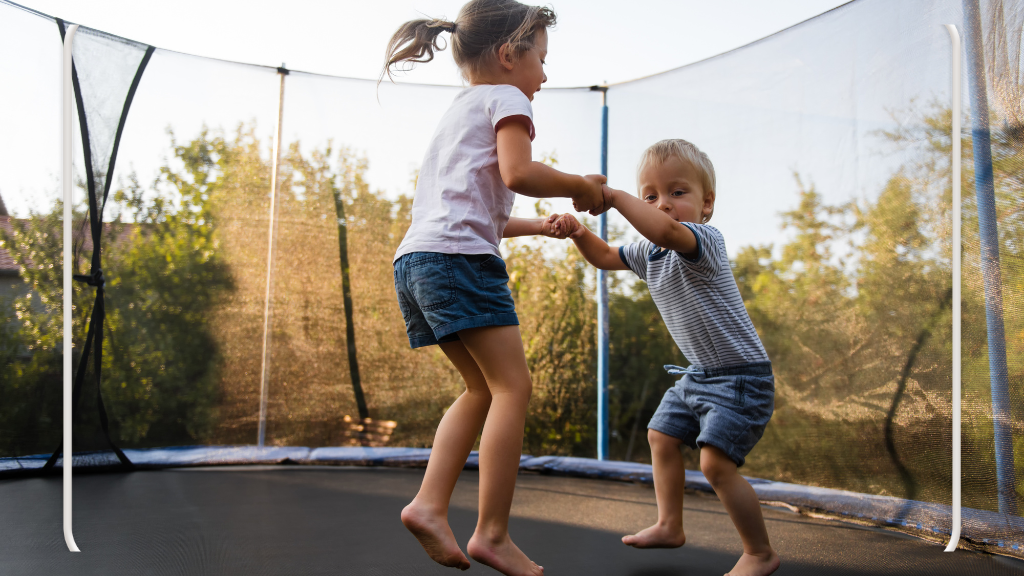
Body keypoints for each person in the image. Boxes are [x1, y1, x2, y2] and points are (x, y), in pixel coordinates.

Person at [382, 2, 606, 575]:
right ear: (510, 55)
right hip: (459, 262)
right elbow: (519, 175)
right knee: (513, 389)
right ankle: (492, 533)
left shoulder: (458, 113)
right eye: (541, 59)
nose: (545, 76)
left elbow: (485, 210)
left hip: (417, 261)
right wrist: (579, 185)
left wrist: (542, 224)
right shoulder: (508, 99)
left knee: (480, 390)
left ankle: (430, 505)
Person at [553, 139, 780, 576]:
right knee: (661, 436)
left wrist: (616, 197)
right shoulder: (647, 253)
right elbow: (604, 256)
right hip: (698, 375)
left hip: (741, 378)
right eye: (651, 196)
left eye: (677, 193)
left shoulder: (703, 240)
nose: (663, 205)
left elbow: (664, 231)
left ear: (706, 203)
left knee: (714, 463)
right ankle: (669, 524)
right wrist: (581, 233)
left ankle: (759, 552)